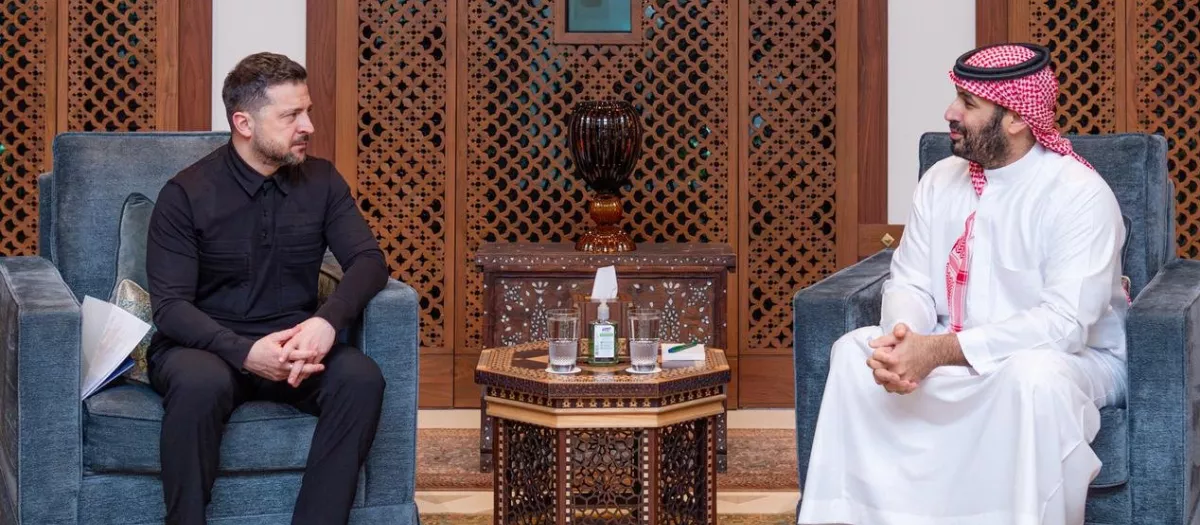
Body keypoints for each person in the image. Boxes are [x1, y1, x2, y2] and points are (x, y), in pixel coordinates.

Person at [797, 43, 1128, 525]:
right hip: (948, 348)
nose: (950, 113)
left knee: (1032, 379)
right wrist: (904, 343)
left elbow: (1064, 327)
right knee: (853, 353)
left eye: (968, 103)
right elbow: (910, 280)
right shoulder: (940, 180)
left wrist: (938, 352)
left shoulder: (1078, 195)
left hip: (1067, 360)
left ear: (1016, 117)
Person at [146, 52, 391, 525]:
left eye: (307, 111)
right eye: (291, 115)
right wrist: (243, 352)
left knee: (361, 379)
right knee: (198, 385)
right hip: (206, 348)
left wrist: (326, 322)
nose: (308, 126)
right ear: (244, 123)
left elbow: (368, 261)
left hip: (295, 345)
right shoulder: (186, 193)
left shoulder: (322, 181)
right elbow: (171, 307)